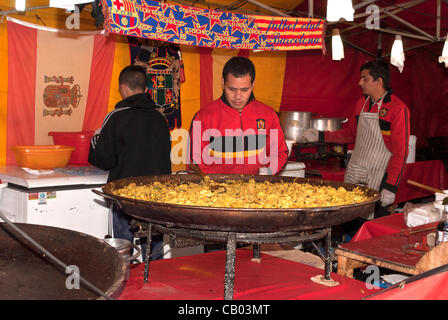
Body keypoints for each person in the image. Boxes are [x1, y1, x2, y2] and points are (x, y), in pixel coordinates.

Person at [303, 59, 410, 220]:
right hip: (356, 171)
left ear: (379, 81)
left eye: (365, 78)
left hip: (378, 175)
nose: (360, 83)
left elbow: (400, 153)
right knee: (349, 218)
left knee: (370, 223)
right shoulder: (361, 103)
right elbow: (352, 134)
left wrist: (391, 186)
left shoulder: (397, 109)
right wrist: (321, 135)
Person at [89, 65, 172, 261]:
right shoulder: (160, 119)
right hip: (156, 197)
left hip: (124, 196)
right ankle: (155, 285)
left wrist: (94, 140)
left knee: (123, 251)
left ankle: (126, 286)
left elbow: (103, 159)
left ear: (123, 89)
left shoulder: (116, 117)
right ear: (146, 90)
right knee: (154, 250)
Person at [188, 56, 289, 175]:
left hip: (258, 190)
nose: (238, 96)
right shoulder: (203, 117)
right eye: (232, 89)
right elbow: (195, 160)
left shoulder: (268, 115)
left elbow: (279, 153)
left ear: (253, 84)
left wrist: (266, 174)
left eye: (245, 90)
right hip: (217, 190)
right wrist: (215, 184)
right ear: (223, 82)